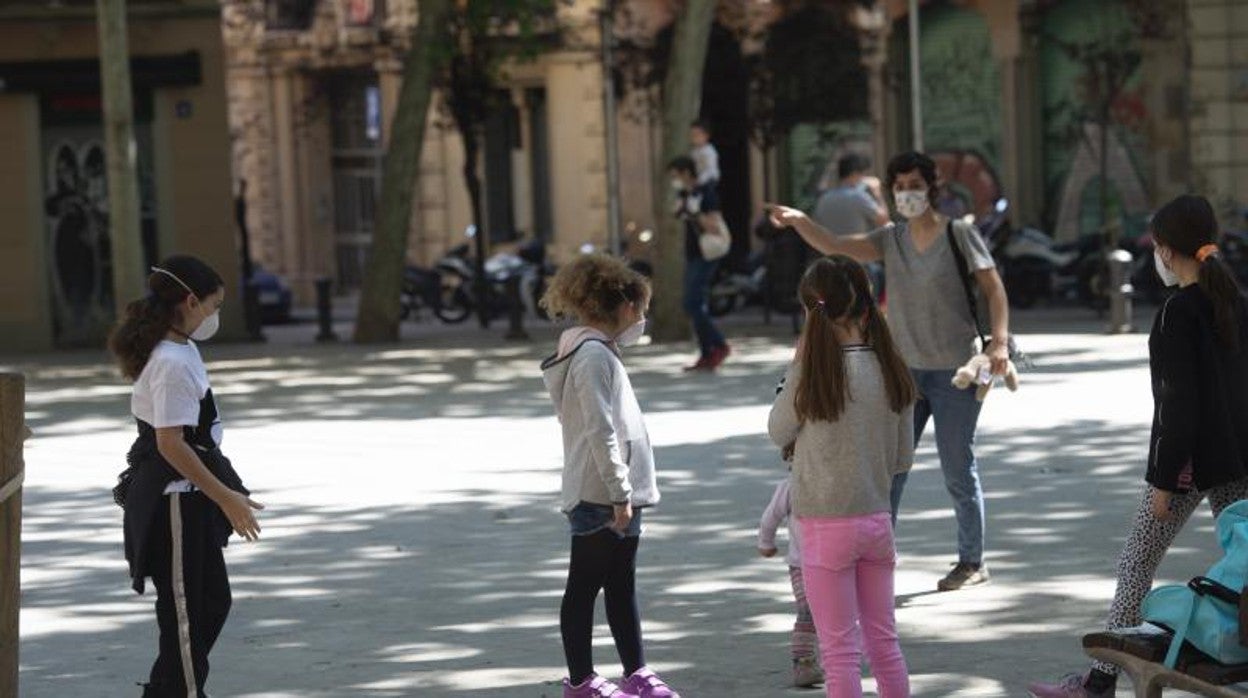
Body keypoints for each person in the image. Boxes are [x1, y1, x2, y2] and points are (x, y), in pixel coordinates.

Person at [1028, 194, 1248, 698]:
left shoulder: (1176, 313)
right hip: (1239, 460)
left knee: (1134, 565)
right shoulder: (1236, 302)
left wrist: (1165, 482)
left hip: (1190, 466)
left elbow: (1177, 409)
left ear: (1166, 251)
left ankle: (1100, 682)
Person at [768, 150, 1012, 592]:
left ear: (931, 186)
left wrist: (998, 342)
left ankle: (971, 561)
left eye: (914, 185)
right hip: (903, 372)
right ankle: (877, 556)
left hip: (956, 370)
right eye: (898, 187)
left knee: (958, 466)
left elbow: (994, 289)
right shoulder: (890, 238)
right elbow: (837, 247)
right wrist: (801, 221)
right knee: (891, 468)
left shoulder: (959, 234)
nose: (907, 194)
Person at [107, 255, 264, 697]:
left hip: (190, 495)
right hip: (175, 499)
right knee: (187, 614)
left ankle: (166, 691)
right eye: (214, 306)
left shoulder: (181, 349)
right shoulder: (171, 361)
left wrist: (222, 492)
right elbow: (171, 443)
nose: (216, 315)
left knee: (210, 603)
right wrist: (226, 498)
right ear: (191, 301)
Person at [769, 255, 916, 698]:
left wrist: (795, 368)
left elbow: (777, 431)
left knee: (838, 652)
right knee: (884, 642)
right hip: (875, 519)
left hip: (821, 525)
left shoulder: (809, 376)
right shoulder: (892, 371)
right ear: (866, 308)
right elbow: (901, 459)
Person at [540, 254, 681, 698]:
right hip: (602, 495)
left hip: (623, 492)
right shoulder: (592, 357)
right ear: (621, 307)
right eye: (639, 308)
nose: (642, 318)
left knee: (622, 584)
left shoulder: (601, 352)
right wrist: (620, 494)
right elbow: (600, 431)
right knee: (584, 586)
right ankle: (581, 679)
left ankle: (635, 670)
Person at [758, 474, 823, 688]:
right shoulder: (790, 486)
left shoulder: (835, 479)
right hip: (801, 564)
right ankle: (804, 665)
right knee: (807, 610)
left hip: (833, 562)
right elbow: (771, 517)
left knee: (833, 615)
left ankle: (834, 660)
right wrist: (766, 542)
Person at [668, 156, 731, 371]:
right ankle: (707, 354)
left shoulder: (706, 192)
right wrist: (682, 207)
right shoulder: (685, 194)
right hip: (694, 253)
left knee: (691, 302)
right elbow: (677, 215)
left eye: (675, 175)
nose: (674, 180)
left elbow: (714, 226)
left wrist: (696, 212)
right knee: (695, 304)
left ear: (686, 173)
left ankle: (719, 345)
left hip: (707, 255)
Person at [813, 154, 890, 299]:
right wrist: (878, 193)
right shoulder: (859, 197)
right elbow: (885, 222)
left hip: (830, 265)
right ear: (856, 174)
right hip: (860, 265)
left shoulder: (823, 199)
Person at [689, 119, 720, 188]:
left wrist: (699, 181)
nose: (694, 138)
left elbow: (709, 170)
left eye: (697, 135)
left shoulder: (709, 152)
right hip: (698, 181)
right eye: (692, 135)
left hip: (709, 181)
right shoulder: (694, 152)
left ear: (706, 136)